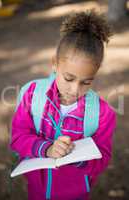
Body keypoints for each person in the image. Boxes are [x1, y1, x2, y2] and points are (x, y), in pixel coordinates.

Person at [9, 10, 116, 200]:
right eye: (68, 78)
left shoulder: (102, 113)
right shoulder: (33, 95)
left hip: (76, 193)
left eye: (86, 82)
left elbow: (103, 158)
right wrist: (46, 149)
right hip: (37, 189)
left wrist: (79, 157)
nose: (74, 90)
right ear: (55, 64)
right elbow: (18, 138)